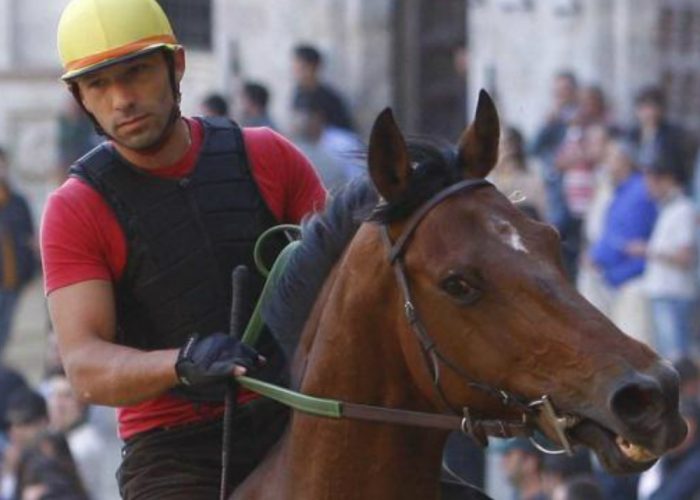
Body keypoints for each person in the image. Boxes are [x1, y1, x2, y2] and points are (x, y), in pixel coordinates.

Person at [43, 1, 326, 498]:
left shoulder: (269, 155)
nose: (122, 99)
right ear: (79, 98)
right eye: (99, 85)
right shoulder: (76, 209)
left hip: (300, 414)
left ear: (176, 65)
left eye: (136, 73)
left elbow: (344, 281)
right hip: (174, 449)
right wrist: (182, 362)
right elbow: (85, 368)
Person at [587, 140, 657, 345]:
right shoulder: (618, 192)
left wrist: (602, 256)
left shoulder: (640, 190)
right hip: (612, 280)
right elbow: (610, 233)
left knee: (636, 345)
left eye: (610, 157)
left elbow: (630, 239)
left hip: (633, 280)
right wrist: (595, 255)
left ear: (624, 160)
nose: (606, 163)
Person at [628, 159, 697, 359]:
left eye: (651, 181)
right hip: (663, 292)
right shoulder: (667, 209)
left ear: (666, 180)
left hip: (673, 293)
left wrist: (647, 251)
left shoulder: (683, 209)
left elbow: (685, 256)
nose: (648, 188)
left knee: (678, 356)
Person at [0, 147, 37, 358]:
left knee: (5, 329)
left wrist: (30, 269)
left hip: (13, 279)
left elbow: (29, 239)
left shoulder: (18, 202)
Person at [291, 44, 355, 132]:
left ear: (313, 67)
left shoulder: (328, 97)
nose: (296, 71)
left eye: (302, 67)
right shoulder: (299, 93)